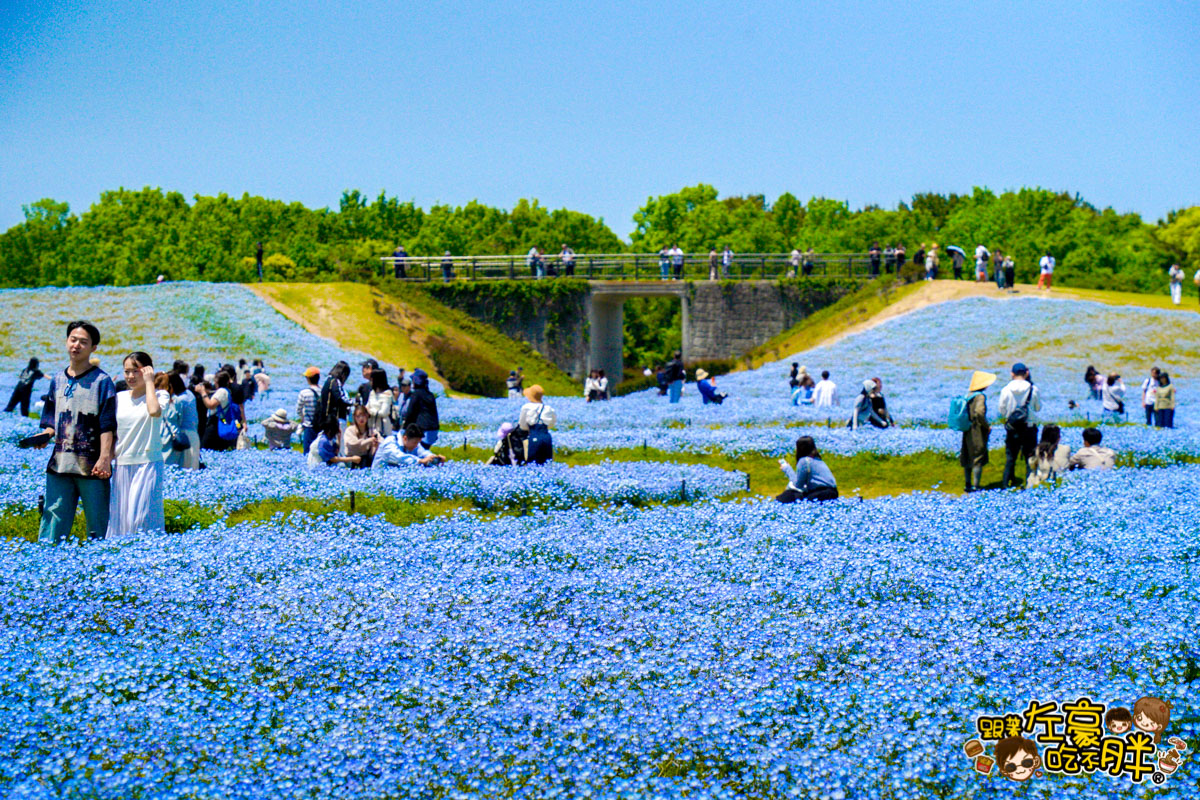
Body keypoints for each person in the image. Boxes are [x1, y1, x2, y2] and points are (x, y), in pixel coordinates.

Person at [36, 321, 117, 543]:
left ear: (94, 348)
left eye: (83, 342)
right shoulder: (58, 379)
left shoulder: (102, 381)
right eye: (73, 340)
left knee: (98, 523)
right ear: (66, 342)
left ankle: (100, 567)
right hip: (59, 463)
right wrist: (44, 435)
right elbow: (51, 419)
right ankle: (48, 563)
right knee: (52, 518)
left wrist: (104, 458)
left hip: (92, 466)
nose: (77, 345)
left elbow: (108, 424)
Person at [107, 352, 167, 537]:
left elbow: (154, 411)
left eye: (136, 371)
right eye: (127, 372)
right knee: (121, 520)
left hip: (148, 463)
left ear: (148, 371)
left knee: (140, 518)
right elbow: (113, 432)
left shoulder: (160, 394)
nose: (131, 376)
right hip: (122, 464)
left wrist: (150, 382)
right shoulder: (119, 397)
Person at [998, 362, 1042, 489]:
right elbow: (1038, 408)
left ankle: (1006, 484)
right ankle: (1029, 484)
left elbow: (1001, 410)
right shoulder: (1033, 389)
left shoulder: (1005, 389)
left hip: (1012, 428)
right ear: (1026, 373)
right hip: (1029, 427)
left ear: (1012, 374)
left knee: (1010, 457)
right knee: (1030, 457)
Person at [959, 371, 995, 493]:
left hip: (967, 428)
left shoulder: (968, 395)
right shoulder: (980, 396)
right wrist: (986, 425)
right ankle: (976, 485)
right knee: (978, 455)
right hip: (977, 429)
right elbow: (979, 412)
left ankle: (967, 484)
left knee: (967, 455)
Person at [776, 436, 838, 503]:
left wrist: (787, 469)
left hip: (820, 494)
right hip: (833, 492)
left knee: (790, 495)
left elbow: (798, 485)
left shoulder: (804, 461)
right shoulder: (818, 460)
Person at [160, 371, 200, 469]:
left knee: (184, 468)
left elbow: (173, 420)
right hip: (193, 434)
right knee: (192, 468)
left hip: (183, 435)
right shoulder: (189, 394)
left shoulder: (178, 400)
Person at [197, 371, 239, 451]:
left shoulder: (221, 391)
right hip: (219, 421)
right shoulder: (225, 390)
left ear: (217, 381)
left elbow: (211, 405)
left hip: (215, 423)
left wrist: (202, 393)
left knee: (206, 447)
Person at [373, 423, 446, 468]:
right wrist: (420, 461)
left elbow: (423, 452)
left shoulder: (412, 443)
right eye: (415, 442)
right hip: (379, 478)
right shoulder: (390, 442)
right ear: (405, 438)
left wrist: (434, 457)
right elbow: (399, 458)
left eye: (418, 443)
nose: (416, 445)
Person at [518, 384, 556, 464]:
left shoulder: (526, 407)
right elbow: (552, 424)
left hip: (533, 436)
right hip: (546, 437)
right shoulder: (549, 408)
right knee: (546, 463)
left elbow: (522, 426)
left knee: (532, 463)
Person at [402, 368, 440, 447]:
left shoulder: (417, 394)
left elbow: (410, 413)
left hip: (423, 430)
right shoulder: (430, 394)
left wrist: (405, 429)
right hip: (433, 430)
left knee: (419, 453)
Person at [317, 361, 352, 443]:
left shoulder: (328, 380)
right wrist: (352, 403)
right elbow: (340, 398)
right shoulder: (335, 381)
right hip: (335, 419)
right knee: (338, 445)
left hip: (326, 418)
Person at [296, 366, 321, 454]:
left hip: (309, 426)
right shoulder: (323, 391)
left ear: (308, 379)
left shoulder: (304, 393)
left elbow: (298, 410)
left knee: (308, 452)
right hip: (322, 426)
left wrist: (303, 418)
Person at [365, 369, 393, 435]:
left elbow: (384, 412)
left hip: (382, 428)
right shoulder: (372, 393)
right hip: (371, 426)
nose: (370, 382)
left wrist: (370, 411)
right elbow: (367, 406)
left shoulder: (387, 394)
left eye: (372, 380)